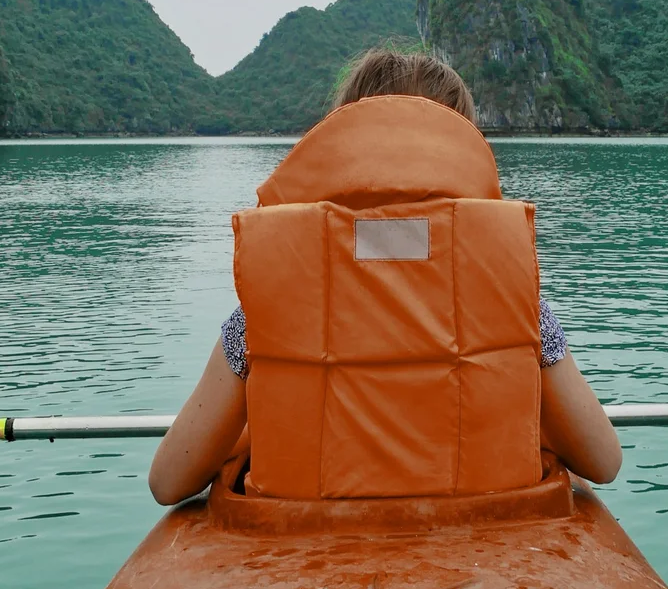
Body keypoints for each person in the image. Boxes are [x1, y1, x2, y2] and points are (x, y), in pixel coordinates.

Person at [149, 49, 621, 506]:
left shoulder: (270, 299)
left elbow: (169, 481)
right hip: (476, 554)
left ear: (337, 148)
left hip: (304, 549)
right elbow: (602, 460)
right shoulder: (514, 297)